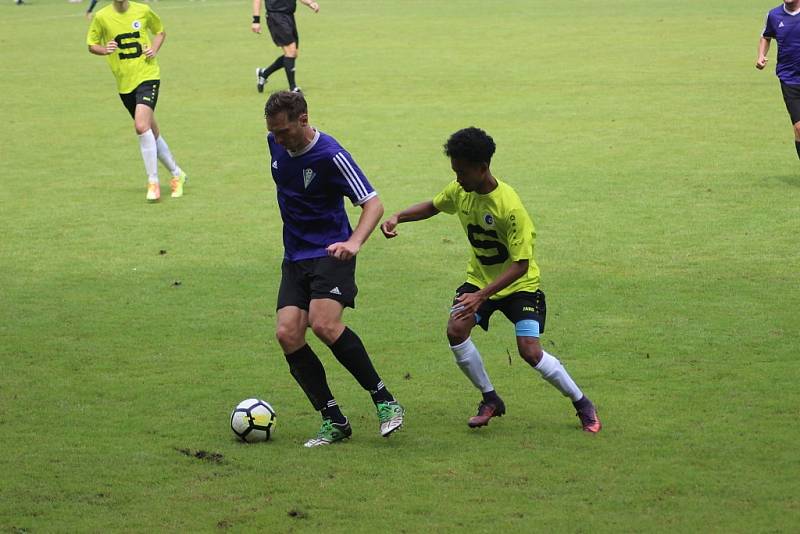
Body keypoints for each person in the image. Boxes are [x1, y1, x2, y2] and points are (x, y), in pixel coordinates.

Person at [380, 127, 602, 433]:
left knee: (530, 351)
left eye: (462, 172)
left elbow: (521, 264)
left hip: (519, 287)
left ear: (483, 168)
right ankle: (490, 399)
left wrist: (481, 296)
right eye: (454, 171)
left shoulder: (510, 208)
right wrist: (398, 217)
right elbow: (433, 206)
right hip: (480, 281)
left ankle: (581, 402)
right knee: (456, 330)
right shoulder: (461, 191)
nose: (457, 178)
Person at [264, 90, 405, 447]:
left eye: (284, 132)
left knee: (324, 324)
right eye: (273, 132)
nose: (279, 139)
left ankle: (385, 401)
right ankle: (333, 419)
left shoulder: (331, 156)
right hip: (295, 256)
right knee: (287, 334)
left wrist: (354, 242)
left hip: (332, 251)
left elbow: (372, 203)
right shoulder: (275, 143)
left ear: (304, 120)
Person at [87, 0, 186, 202]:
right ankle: (177, 174)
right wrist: (104, 49)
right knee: (151, 131)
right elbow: (91, 44)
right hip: (124, 83)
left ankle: (153, 182)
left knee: (141, 126)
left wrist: (154, 49)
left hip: (148, 75)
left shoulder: (143, 10)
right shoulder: (101, 17)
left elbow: (160, 31)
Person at [758, 0, 800, 161]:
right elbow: (765, 36)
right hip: (789, 79)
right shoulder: (774, 15)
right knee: (798, 128)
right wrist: (761, 55)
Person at [252, 0, 319, 93]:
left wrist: (310, 3)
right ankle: (293, 88)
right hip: (276, 16)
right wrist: (256, 20)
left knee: (293, 54)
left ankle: (264, 73)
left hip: (289, 16)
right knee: (291, 52)